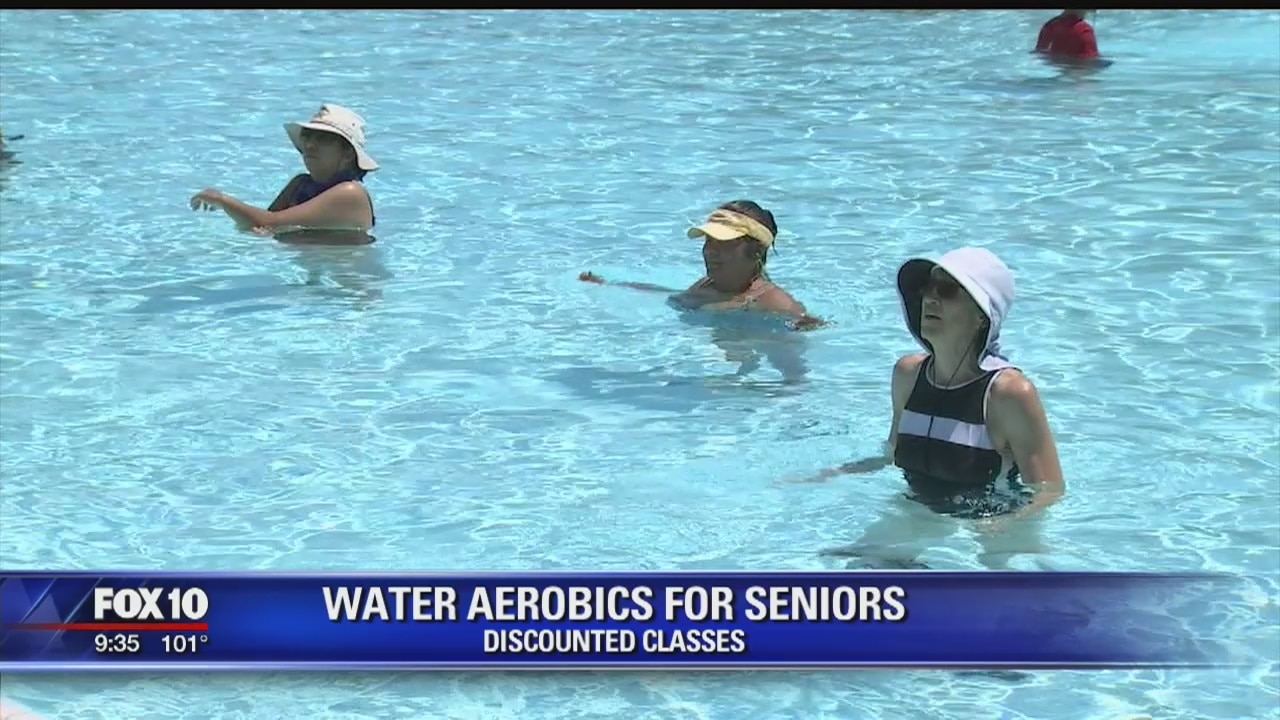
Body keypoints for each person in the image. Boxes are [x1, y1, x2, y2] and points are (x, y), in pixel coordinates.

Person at [806, 247, 1064, 567]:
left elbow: (1049, 490)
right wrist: (835, 473)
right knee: (847, 571)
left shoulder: (1007, 393)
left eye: (947, 290)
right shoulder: (908, 375)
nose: (930, 298)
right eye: (927, 287)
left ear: (982, 316)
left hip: (987, 529)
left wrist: (1004, 524)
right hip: (917, 513)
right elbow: (893, 452)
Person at [579, 200, 823, 330]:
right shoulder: (709, 284)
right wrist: (613, 284)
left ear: (756, 250)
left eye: (724, 244)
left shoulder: (770, 301)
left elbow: (795, 366)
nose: (710, 252)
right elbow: (675, 295)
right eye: (708, 241)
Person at [190, 103, 378, 244]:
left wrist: (222, 200)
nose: (310, 145)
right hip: (313, 274)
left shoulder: (350, 193)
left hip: (350, 279)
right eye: (307, 136)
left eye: (323, 138)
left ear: (348, 154)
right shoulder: (300, 184)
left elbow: (268, 222)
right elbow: (260, 226)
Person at [1034, 10, 1100, 62]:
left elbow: (1040, 54)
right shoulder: (1084, 31)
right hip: (1077, 72)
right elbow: (1090, 63)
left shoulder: (1049, 26)